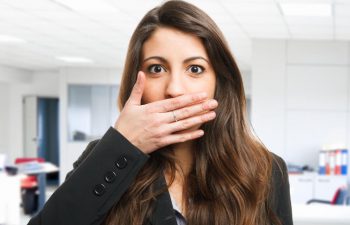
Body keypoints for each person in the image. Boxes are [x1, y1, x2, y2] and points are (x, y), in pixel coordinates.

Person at [28, 1, 293, 225]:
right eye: (157, 69)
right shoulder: (106, 157)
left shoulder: (267, 171)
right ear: (136, 80)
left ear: (219, 82)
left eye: (195, 69)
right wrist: (124, 144)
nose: (175, 89)